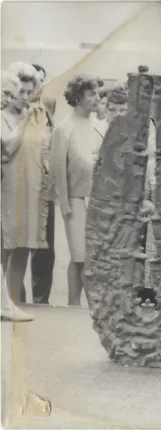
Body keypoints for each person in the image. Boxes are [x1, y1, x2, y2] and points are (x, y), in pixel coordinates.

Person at [50, 74, 104, 306]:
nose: (98, 98)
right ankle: (90, 306)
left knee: (85, 257)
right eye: (92, 94)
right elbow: (57, 169)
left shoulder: (101, 126)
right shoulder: (64, 128)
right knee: (81, 256)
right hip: (75, 200)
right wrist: (65, 205)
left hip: (99, 202)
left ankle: (74, 304)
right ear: (78, 97)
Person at [1, 62, 52, 305]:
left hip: (27, 192)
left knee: (22, 249)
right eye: (20, 92)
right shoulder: (3, 116)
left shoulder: (31, 116)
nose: (25, 98)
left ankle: (12, 303)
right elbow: (6, 149)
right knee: (5, 250)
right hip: (5, 193)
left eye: (29, 92)